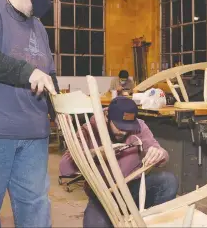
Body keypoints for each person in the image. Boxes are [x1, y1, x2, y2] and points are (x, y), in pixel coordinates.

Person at [0, 0, 60, 227]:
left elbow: (50, 75)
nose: (48, 3)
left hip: (35, 135)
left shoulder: (39, 28)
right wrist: (27, 72)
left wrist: (59, 109)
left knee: (36, 209)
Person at [59, 97, 178, 227]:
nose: (124, 131)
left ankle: (150, 222)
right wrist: (96, 154)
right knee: (95, 225)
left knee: (168, 181)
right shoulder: (89, 130)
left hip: (132, 188)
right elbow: (65, 168)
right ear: (107, 116)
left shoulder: (139, 126)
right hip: (103, 195)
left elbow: (161, 154)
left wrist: (159, 153)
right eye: (119, 126)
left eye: (128, 126)